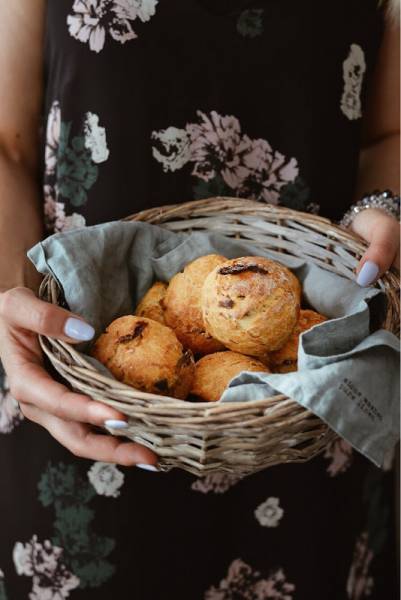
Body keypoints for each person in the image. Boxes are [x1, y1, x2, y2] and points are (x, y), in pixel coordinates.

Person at [0, 1, 399, 598]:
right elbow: (8, 146)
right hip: (77, 398)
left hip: (310, 413)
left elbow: (390, 132)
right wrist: (10, 299)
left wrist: (384, 209)